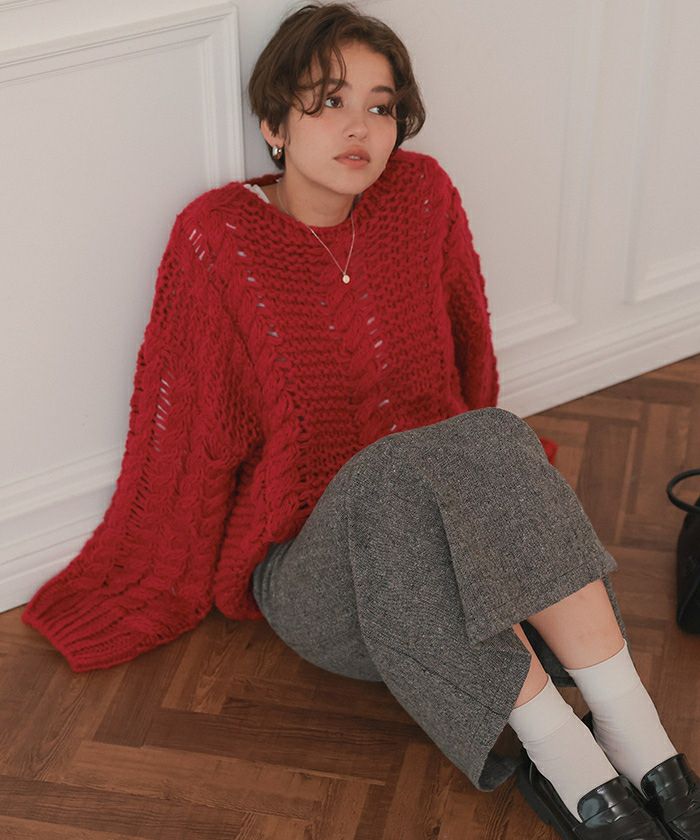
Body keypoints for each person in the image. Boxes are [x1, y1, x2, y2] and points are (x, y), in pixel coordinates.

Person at [21, 3, 699, 838]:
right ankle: (566, 760)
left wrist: (496, 503)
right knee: (405, 466)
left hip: (438, 562)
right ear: (274, 124)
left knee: (487, 434)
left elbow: (472, 365)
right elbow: (192, 430)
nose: (360, 128)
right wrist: (152, 571)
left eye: (381, 107)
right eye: (329, 101)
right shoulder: (219, 238)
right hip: (320, 583)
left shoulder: (422, 196)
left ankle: (646, 749)